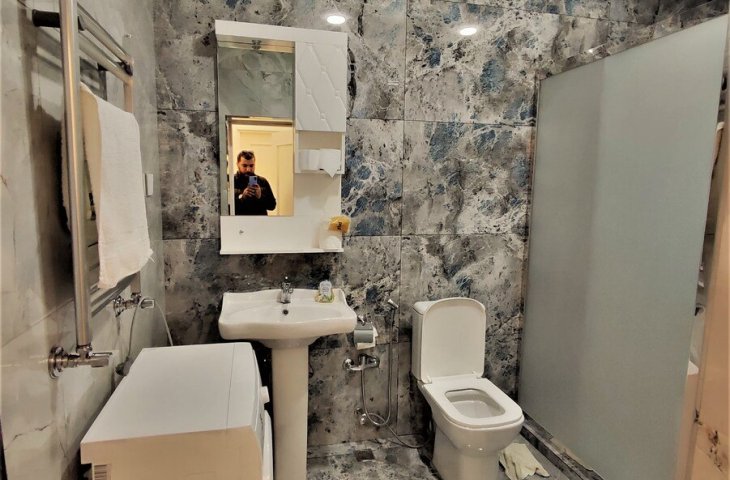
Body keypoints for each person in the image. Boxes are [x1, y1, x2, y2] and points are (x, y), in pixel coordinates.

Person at [233, 150, 277, 215]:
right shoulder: (232, 181)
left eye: (251, 166)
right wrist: (242, 197)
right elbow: (226, 208)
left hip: (260, 220)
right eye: (244, 166)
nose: (248, 169)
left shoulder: (262, 181)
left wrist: (260, 196)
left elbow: (272, 206)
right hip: (240, 220)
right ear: (238, 164)